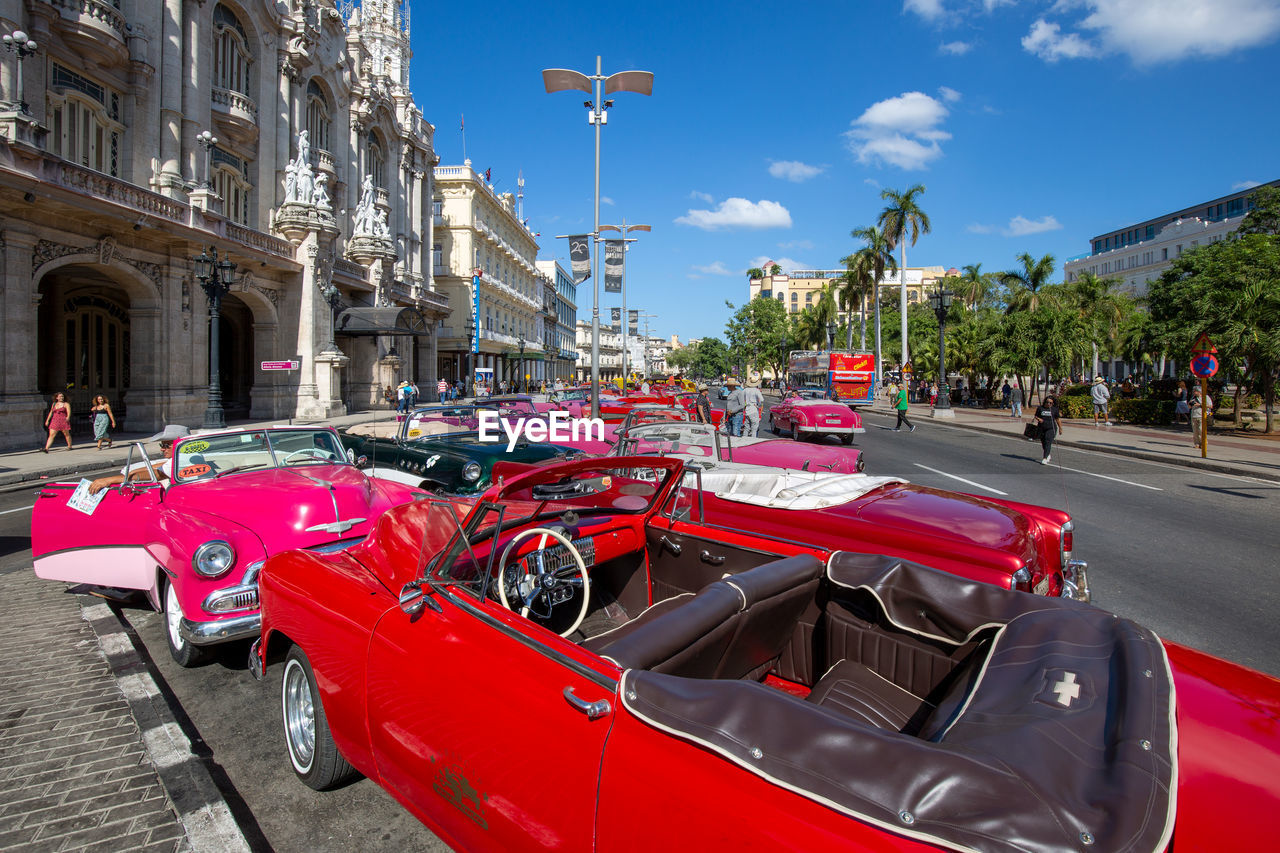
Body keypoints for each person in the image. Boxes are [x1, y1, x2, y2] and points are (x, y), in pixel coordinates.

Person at [87, 425, 191, 494]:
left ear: (180, 445)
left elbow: (156, 474)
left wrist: (109, 480)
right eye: (162, 445)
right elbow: (160, 466)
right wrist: (130, 473)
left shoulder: (184, 460)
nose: (162, 449)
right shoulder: (186, 457)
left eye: (167, 445)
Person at [1034, 394, 1062, 464]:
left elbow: (1057, 419)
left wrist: (1060, 428)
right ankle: (1047, 453)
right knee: (1044, 443)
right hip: (1042, 428)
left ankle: (1045, 458)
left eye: (1050, 403)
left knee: (1048, 441)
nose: (1048, 404)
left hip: (1051, 428)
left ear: (1053, 403)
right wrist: (1038, 419)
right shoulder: (1040, 408)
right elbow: (1036, 416)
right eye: (1047, 402)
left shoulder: (1054, 409)